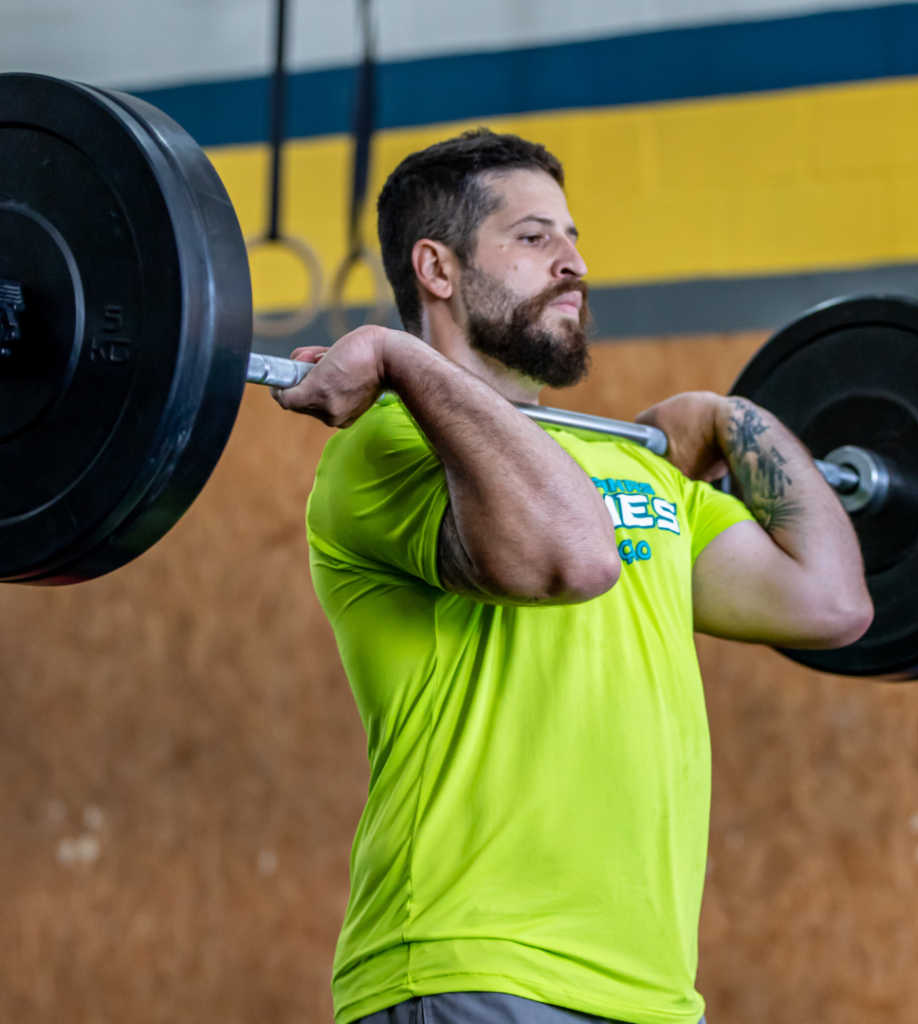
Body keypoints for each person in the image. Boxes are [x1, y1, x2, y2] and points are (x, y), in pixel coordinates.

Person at [272, 130, 872, 1024]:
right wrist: (404, 362)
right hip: (472, 963)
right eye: (534, 237)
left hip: (653, 992)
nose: (575, 263)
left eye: (573, 237)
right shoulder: (389, 444)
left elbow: (830, 601)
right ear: (436, 268)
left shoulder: (635, 472)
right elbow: (571, 560)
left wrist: (732, 416)